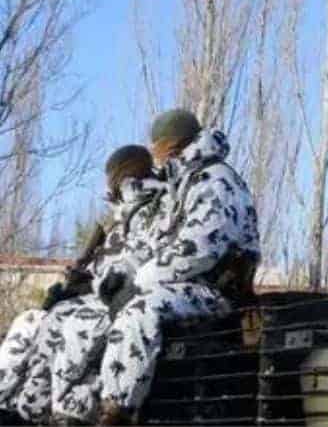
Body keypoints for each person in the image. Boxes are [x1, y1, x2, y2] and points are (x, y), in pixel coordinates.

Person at [97, 110, 260, 425]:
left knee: (138, 312)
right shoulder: (183, 183)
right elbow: (157, 242)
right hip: (185, 286)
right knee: (94, 319)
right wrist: (124, 272)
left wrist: (140, 281)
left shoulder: (216, 179)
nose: (154, 156)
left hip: (216, 292)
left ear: (173, 146)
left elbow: (199, 248)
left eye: (158, 147)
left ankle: (117, 415)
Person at [0, 145, 162, 425]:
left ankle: (43, 412)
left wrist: (90, 289)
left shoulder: (153, 212)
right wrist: (73, 286)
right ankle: (10, 403)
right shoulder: (119, 223)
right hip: (90, 303)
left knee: (71, 328)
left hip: (120, 307)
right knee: (29, 321)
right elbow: (100, 272)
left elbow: (131, 270)